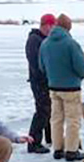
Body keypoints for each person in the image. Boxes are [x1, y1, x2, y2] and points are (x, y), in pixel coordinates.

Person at [39, 14, 84, 161]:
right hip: (71, 89)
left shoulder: (45, 44)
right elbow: (82, 68)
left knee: (56, 119)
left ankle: (58, 148)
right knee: (73, 120)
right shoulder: (71, 44)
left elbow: (42, 67)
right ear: (68, 27)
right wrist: (77, 77)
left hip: (53, 88)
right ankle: (71, 151)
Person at [24, 13, 54, 154]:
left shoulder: (44, 39)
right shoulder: (34, 40)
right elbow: (35, 63)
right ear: (45, 25)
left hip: (45, 81)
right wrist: (43, 78)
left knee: (48, 110)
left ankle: (49, 138)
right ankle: (33, 143)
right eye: (51, 26)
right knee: (42, 111)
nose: (52, 29)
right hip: (39, 82)